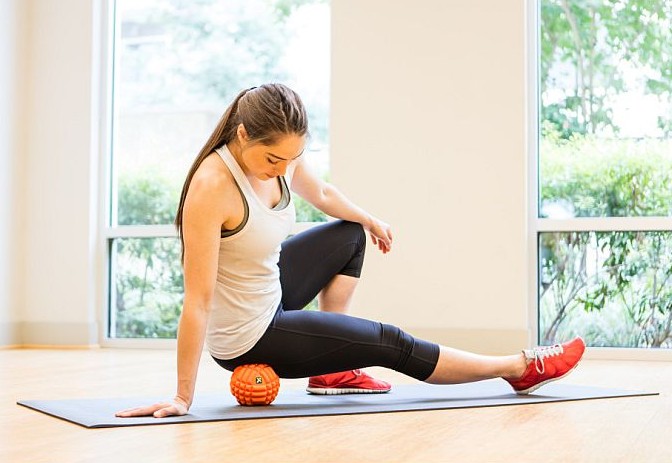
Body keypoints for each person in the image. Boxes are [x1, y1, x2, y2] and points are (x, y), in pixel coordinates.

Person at [116, 83, 585, 419]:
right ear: (242, 136)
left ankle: (333, 373)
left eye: (291, 157)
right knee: (390, 341)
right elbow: (196, 301)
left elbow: (322, 193)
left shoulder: (281, 158)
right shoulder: (211, 188)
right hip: (247, 335)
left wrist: (369, 217)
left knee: (350, 233)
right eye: (272, 159)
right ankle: (519, 368)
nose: (282, 168)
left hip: (270, 290)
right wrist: (182, 396)